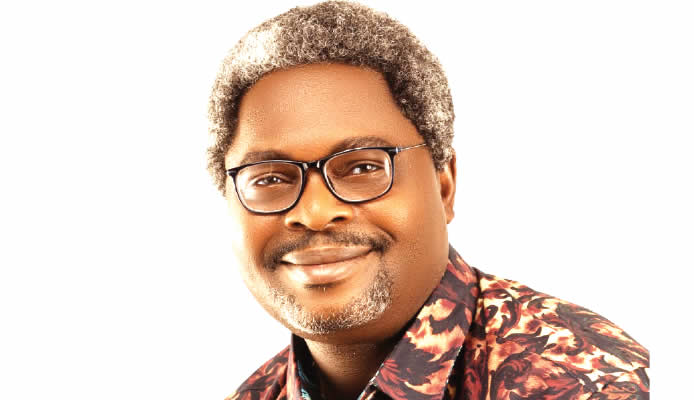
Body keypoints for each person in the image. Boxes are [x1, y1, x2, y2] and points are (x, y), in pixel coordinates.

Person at [207, 2, 649, 399]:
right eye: (270, 178)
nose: (315, 212)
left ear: (444, 186)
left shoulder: (589, 383)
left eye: (363, 168)